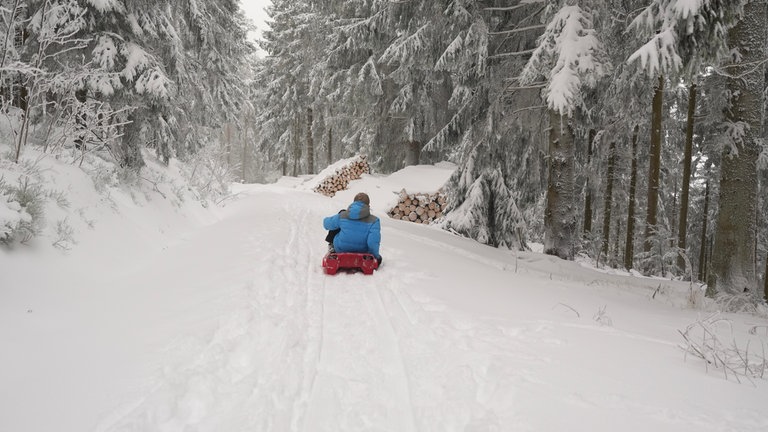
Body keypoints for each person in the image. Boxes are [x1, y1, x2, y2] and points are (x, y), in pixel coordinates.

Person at [324, 192, 382, 265]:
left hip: (341, 249)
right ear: (368, 205)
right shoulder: (374, 221)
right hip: (362, 252)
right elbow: (373, 242)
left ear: (354, 202)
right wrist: (375, 257)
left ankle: (332, 249)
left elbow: (326, 225)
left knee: (336, 223)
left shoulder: (343, 215)